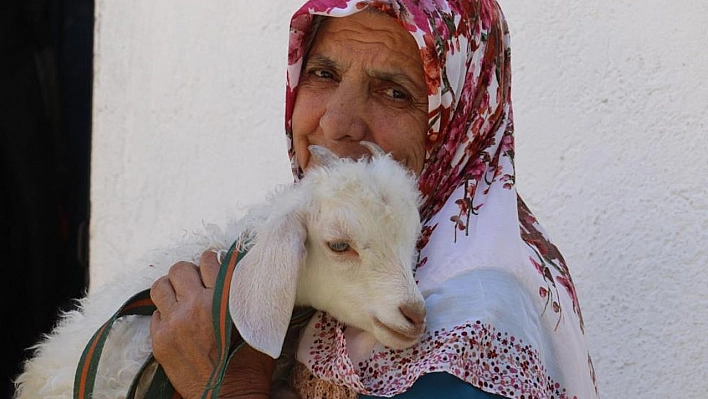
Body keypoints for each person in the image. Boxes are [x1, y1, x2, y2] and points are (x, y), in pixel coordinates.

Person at [149, 0, 599, 398]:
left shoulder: (472, 326)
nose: (338, 122)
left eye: (394, 92)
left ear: (462, 124)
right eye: (323, 74)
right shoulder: (319, 253)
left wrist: (229, 385)